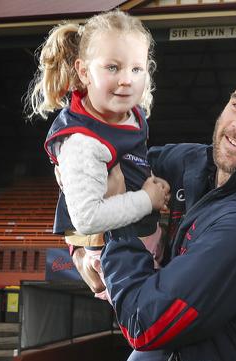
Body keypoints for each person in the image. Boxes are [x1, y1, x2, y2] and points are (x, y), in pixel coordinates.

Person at [100, 66, 236, 361]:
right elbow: (104, 162)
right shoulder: (197, 161)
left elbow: (143, 324)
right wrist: (84, 243)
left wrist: (117, 224)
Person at [26, 10, 170, 300]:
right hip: (109, 257)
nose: (127, 80)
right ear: (83, 71)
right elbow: (88, 218)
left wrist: (151, 183)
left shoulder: (131, 113)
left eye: (137, 69)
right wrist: (147, 199)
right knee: (153, 323)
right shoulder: (81, 142)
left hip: (141, 236)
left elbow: (133, 159)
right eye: (113, 67)